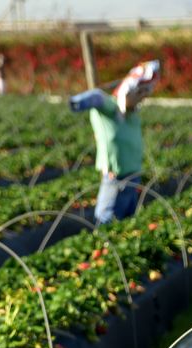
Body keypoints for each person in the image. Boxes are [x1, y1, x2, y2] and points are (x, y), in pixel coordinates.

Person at [69, 60, 160, 225]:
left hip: (134, 176)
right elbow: (97, 97)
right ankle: (106, 248)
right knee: (106, 218)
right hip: (116, 177)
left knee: (126, 220)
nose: (141, 98)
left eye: (144, 94)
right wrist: (79, 102)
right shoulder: (111, 109)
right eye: (138, 93)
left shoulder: (132, 114)